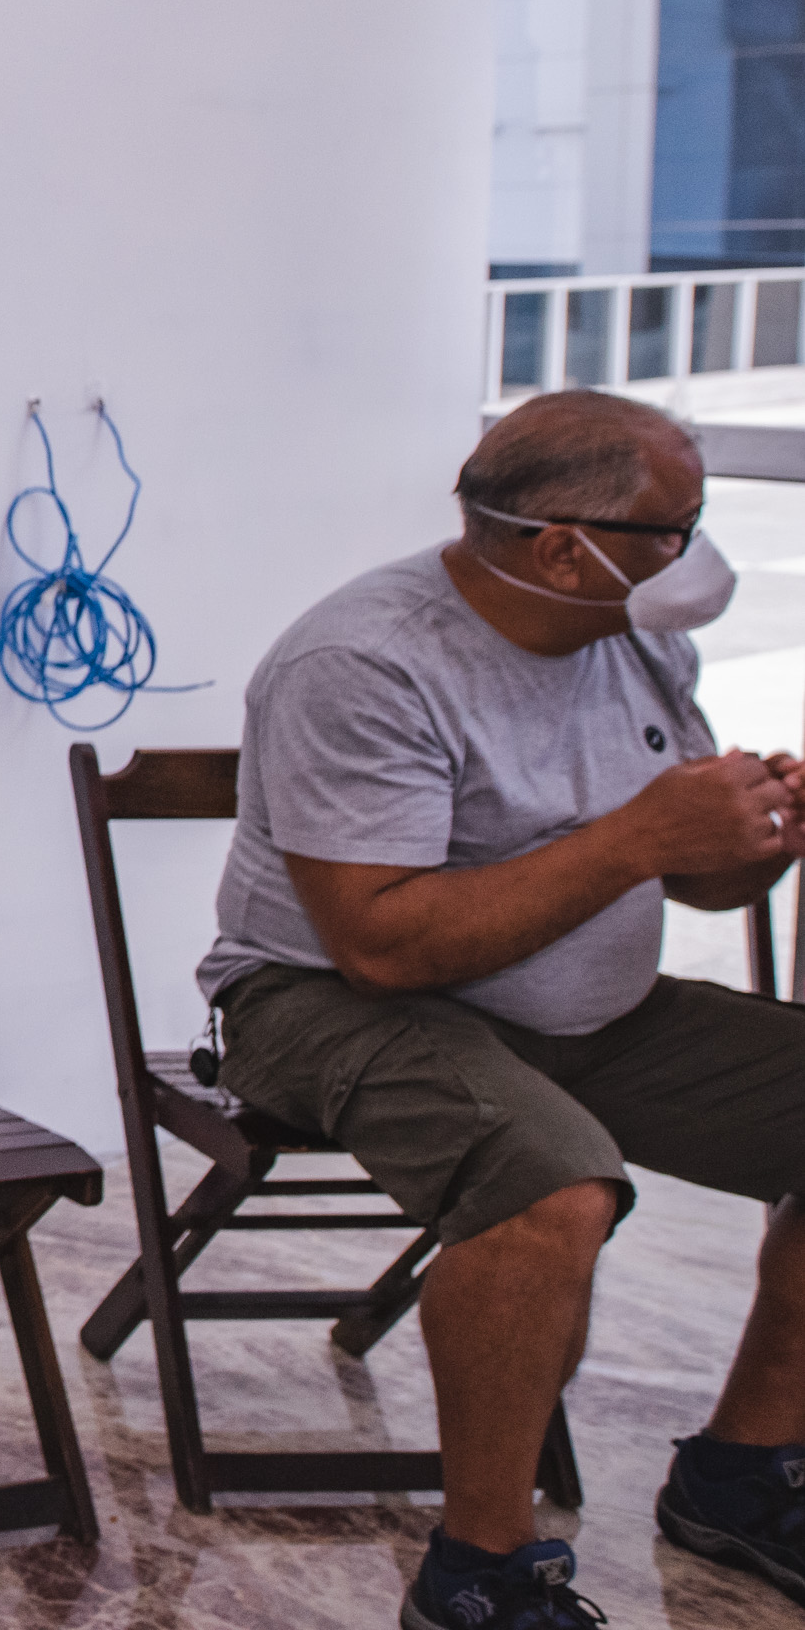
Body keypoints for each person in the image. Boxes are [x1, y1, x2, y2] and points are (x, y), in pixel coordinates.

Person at [193, 387, 805, 1630]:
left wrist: (756, 835)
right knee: (550, 1186)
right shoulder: (361, 663)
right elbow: (382, 944)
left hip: (584, 1004)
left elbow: (691, 875)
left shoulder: (633, 638)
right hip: (322, 1001)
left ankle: (738, 1475)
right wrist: (639, 837)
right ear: (562, 548)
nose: (692, 556)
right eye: (672, 530)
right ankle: (479, 1568)